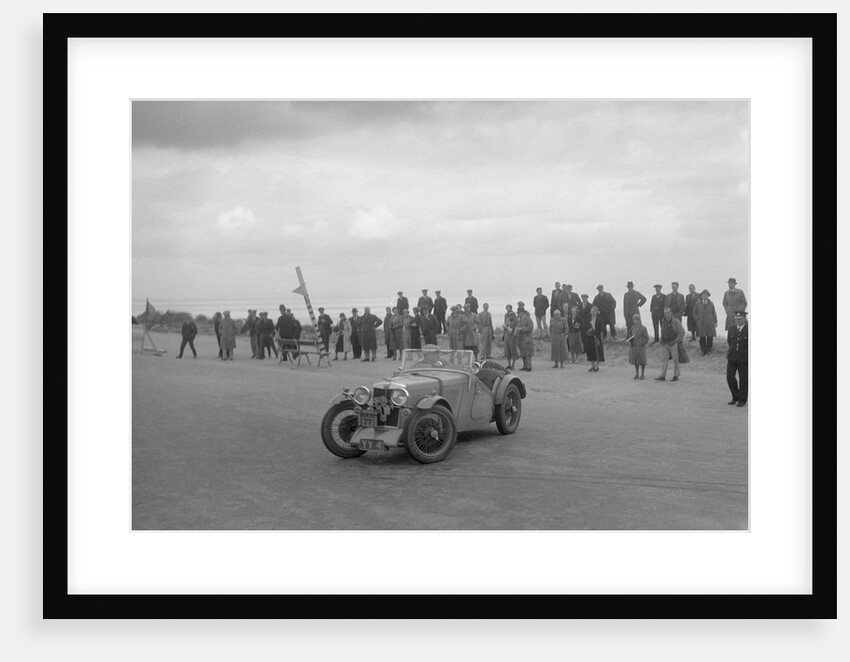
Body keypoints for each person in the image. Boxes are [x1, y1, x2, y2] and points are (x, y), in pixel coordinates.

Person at [655, 307, 688, 381]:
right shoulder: (663, 321)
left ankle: (676, 376)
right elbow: (662, 331)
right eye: (665, 313)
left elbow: (682, 332)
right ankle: (662, 376)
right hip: (664, 343)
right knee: (664, 360)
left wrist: (676, 341)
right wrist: (661, 341)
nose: (666, 315)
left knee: (675, 360)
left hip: (673, 343)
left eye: (668, 313)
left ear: (671, 313)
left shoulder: (676, 321)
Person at [726, 310, 749, 407]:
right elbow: (730, 341)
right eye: (736, 319)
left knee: (743, 379)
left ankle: (742, 400)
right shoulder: (732, 328)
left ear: (744, 319)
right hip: (732, 356)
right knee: (730, 377)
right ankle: (735, 396)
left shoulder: (749, 330)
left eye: (740, 319)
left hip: (744, 358)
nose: (738, 321)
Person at [694, 289, 717, 355]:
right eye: (703, 295)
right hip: (701, 323)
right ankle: (703, 351)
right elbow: (694, 313)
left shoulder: (711, 303)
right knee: (702, 337)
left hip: (710, 323)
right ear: (701, 296)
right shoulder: (698, 304)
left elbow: (714, 313)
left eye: (706, 295)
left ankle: (709, 350)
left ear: (708, 296)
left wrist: (715, 322)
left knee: (710, 337)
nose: (704, 296)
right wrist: (697, 319)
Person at [583, 305, 605, 372]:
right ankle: (592, 366)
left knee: (597, 352)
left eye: (594, 311)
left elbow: (601, 328)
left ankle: (597, 366)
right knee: (590, 352)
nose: (593, 312)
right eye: (592, 311)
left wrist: (594, 331)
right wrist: (588, 331)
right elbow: (585, 327)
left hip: (596, 337)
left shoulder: (599, 319)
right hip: (589, 338)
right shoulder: (588, 319)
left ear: (597, 312)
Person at [628, 313, 649, 380]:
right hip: (634, 346)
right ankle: (637, 374)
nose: (635, 321)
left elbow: (646, 338)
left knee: (642, 361)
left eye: (636, 319)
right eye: (634, 319)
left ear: (639, 320)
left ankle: (642, 374)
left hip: (641, 347)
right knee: (635, 361)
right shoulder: (632, 328)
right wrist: (630, 340)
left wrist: (642, 343)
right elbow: (630, 335)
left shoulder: (643, 328)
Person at [515, 304, 534, 371]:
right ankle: (525, 365)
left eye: (519, 313)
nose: (518, 314)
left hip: (527, 338)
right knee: (523, 353)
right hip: (520, 338)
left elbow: (530, 328)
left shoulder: (528, 319)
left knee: (528, 353)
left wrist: (522, 329)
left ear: (522, 313)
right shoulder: (519, 320)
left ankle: (529, 366)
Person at [503, 304, 518, 369]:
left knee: (513, 350)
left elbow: (516, 328)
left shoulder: (515, 320)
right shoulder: (507, 319)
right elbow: (505, 326)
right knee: (507, 350)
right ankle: (509, 364)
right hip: (507, 336)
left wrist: (510, 329)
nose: (509, 316)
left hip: (512, 337)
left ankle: (513, 365)